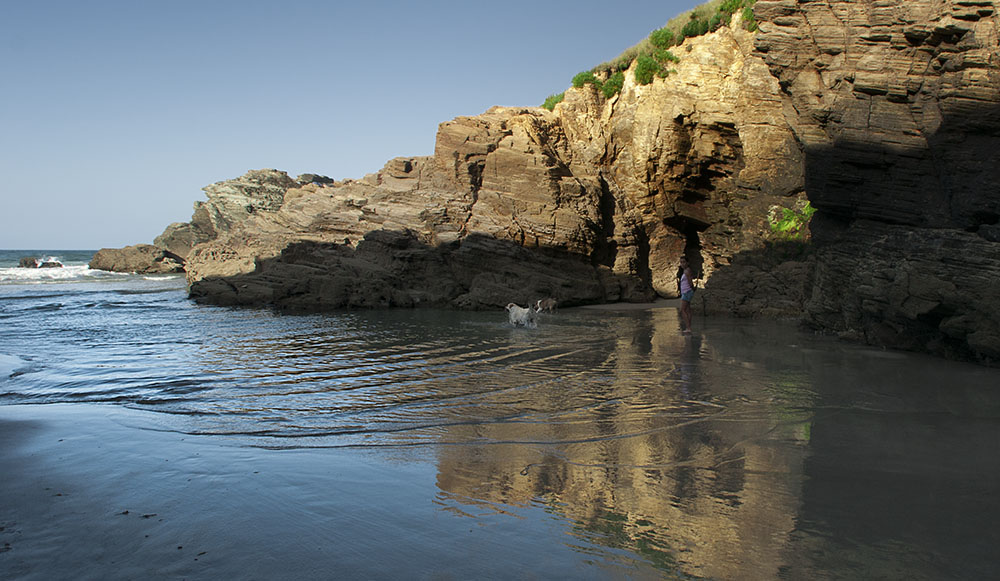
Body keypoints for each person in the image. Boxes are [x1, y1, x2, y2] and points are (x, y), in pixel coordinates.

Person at [678, 256, 695, 334]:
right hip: (686, 292)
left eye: (684, 262)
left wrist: (692, 289)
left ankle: (688, 328)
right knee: (687, 310)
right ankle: (689, 327)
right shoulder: (686, 271)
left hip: (687, 292)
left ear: (687, 263)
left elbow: (690, 283)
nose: (682, 264)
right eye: (681, 262)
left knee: (682, 310)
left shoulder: (687, 271)